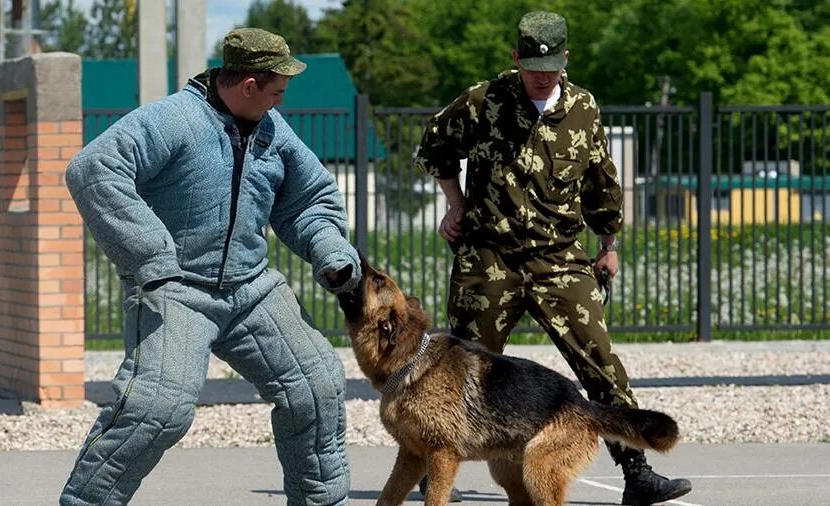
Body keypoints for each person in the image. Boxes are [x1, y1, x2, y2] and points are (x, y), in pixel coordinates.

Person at [60, 27, 360, 506]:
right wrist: (151, 254)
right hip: (176, 288)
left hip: (252, 288)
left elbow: (307, 201)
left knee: (316, 383)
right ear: (248, 85)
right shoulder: (173, 120)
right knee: (158, 408)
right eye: (276, 92)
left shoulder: (273, 131)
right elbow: (93, 169)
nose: (280, 103)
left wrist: (332, 253)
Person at [414, 11, 693, 506]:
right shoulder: (484, 101)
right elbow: (435, 147)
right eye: (534, 65)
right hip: (490, 257)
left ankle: (637, 473)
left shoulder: (584, 107)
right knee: (459, 370)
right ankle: (436, 473)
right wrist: (454, 204)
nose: (543, 74)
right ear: (516, 58)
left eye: (553, 65)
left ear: (566, 60)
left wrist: (609, 246)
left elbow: (602, 182)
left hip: (560, 257)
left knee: (600, 362)